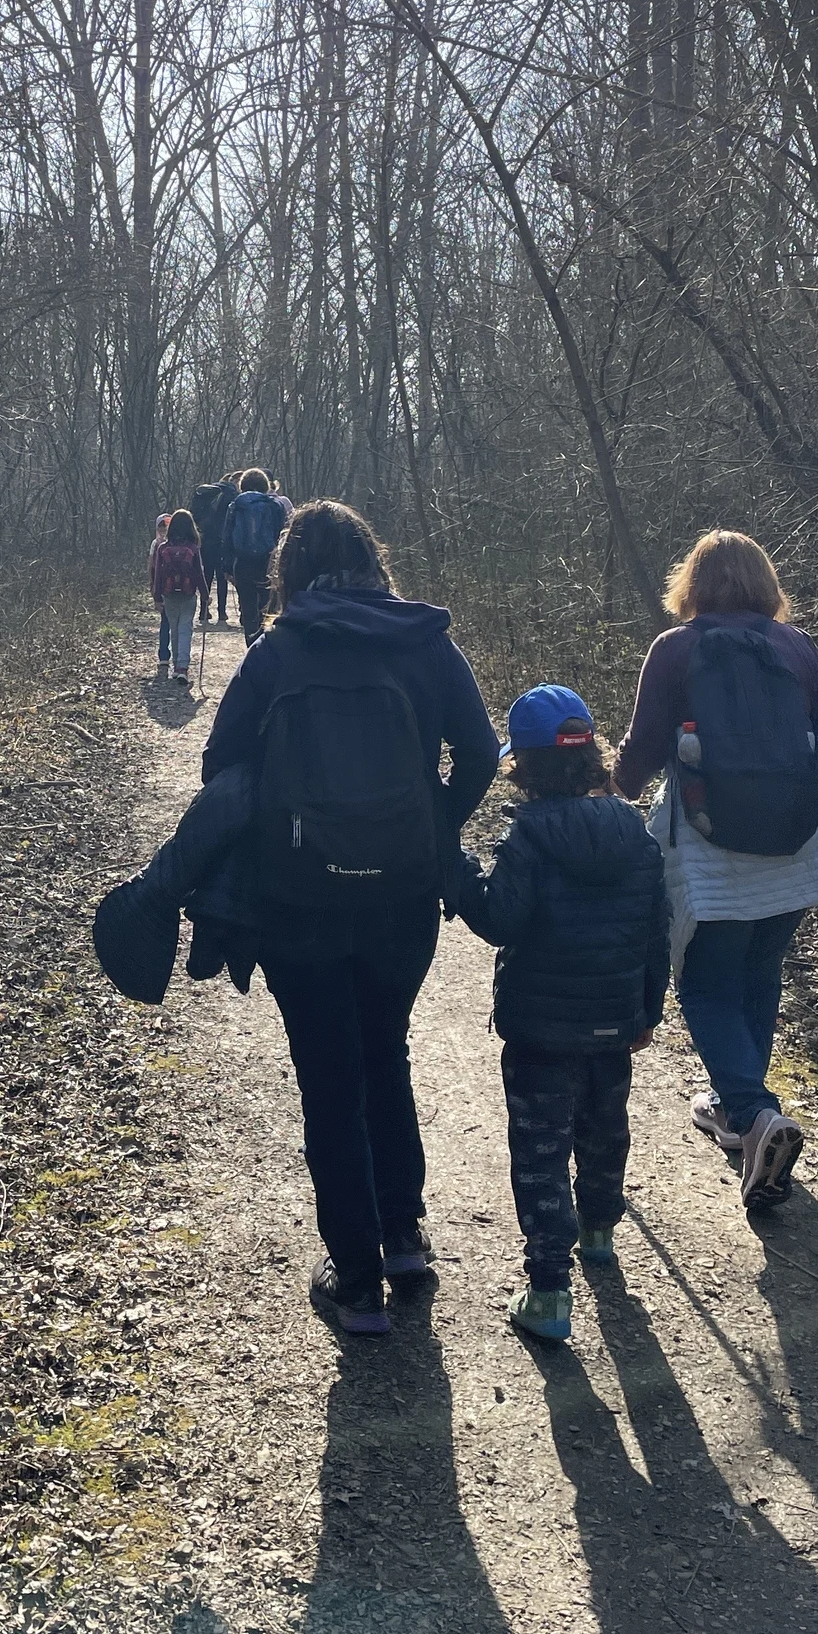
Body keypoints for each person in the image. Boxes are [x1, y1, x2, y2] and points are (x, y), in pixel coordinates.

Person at [201, 500, 501, 1336]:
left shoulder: (277, 651)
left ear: (288, 569)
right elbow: (482, 752)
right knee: (385, 1051)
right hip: (404, 895)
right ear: (375, 560)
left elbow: (220, 766)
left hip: (298, 899)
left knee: (329, 1075)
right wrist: (434, 826)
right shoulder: (426, 642)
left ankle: (358, 1279)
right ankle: (404, 1236)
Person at [612, 529, 818, 1210]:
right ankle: (738, 1108)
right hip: (805, 840)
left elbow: (645, 749)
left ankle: (751, 1110)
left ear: (694, 586)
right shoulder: (795, 647)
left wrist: (595, 801)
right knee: (759, 971)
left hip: (712, 847)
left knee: (706, 980)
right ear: (767, 586)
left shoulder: (676, 648)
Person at [452, 686, 668, 1346]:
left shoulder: (529, 837)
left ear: (523, 766)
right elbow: (656, 930)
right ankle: (599, 1231)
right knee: (605, 1127)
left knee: (541, 1151)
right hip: (614, 1018)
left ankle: (548, 1291)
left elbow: (499, 920)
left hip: (542, 1032)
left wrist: (458, 874)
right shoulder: (634, 830)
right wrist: (646, 1010)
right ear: (592, 757)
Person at [225, 468, 290, 645]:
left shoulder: (236, 505)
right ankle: (264, 643)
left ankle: (250, 644)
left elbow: (227, 536)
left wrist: (227, 567)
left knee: (247, 607)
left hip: (243, 563)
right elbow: (282, 536)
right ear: (266, 486)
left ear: (242, 486)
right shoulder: (275, 505)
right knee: (267, 605)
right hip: (267, 563)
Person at [150, 509, 206, 683]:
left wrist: (157, 597)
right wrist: (205, 595)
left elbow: (158, 573)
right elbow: (199, 574)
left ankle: (176, 666)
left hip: (169, 595)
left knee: (173, 629)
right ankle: (182, 667)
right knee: (185, 629)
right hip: (188, 595)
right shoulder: (193, 548)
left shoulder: (162, 548)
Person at [190, 477, 239, 626]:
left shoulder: (206, 493)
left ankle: (203, 610)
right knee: (222, 577)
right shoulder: (231, 495)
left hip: (206, 540)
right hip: (222, 541)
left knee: (207, 575)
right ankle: (222, 612)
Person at [148, 513, 172, 669]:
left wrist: (153, 588)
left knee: (166, 622)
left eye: (167, 526)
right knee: (170, 622)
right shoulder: (181, 543)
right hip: (172, 589)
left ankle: (164, 655)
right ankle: (170, 655)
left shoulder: (156, 544)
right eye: (162, 527)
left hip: (163, 588)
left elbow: (151, 567)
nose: (164, 529)